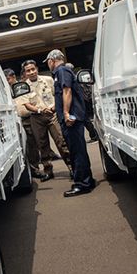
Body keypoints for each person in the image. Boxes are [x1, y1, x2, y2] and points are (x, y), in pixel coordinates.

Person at [45, 50, 96, 197]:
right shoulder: (63, 71)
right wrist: (54, 108)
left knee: (76, 152)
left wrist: (66, 113)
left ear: (52, 60)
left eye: (48, 61)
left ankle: (82, 184)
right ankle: (87, 180)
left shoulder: (61, 71)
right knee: (78, 151)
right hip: (70, 117)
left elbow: (67, 91)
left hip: (71, 119)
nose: (48, 64)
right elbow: (63, 95)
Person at [20, 59, 71, 181]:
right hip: (36, 117)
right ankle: (48, 170)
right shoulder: (23, 86)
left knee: (61, 141)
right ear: (24, 73)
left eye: (33, 69)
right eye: (28, 71)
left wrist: (54, 107)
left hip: (53, 115)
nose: (32, 72)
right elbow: (26, 104)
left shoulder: (48, 80)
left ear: (37, 69)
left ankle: (71, 167)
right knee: (42, 145)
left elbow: (57, 95)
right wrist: (39, 110)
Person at [4, 68, 46, 180]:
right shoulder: (4, 91)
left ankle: (36, 168)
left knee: (33, 144)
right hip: (13, 122)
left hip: (28, 118)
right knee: (23, 147)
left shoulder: (22, 87)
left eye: (8, 79)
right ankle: (29, 170)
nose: (7, 81)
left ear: (13, 77)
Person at [66, 63, 98, 143]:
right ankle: (93, 135)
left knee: (85, 120)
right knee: (85, 120)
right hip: (82, 101)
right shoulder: (76, 76)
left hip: (80, 102)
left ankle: (94, 135)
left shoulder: (74, 78)